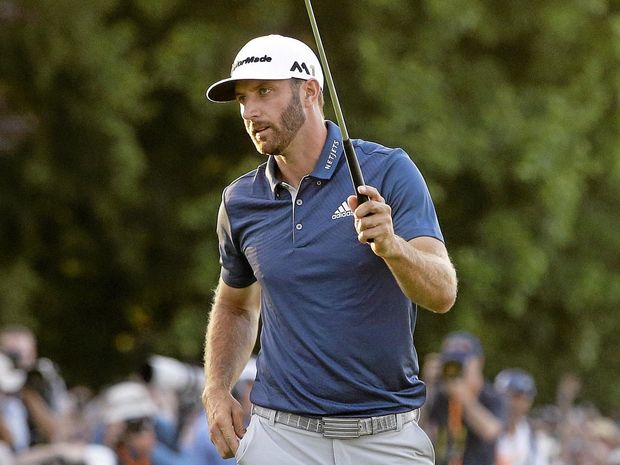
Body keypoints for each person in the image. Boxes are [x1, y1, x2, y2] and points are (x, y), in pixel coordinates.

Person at [201, 34, 458, 465]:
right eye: (243, 99)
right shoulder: (240, 201)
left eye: (265, 91)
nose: (251, 111)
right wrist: (215, 387)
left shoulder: (387, 169)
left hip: (384, 437)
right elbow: (236, 307)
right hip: (279, 438)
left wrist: (393, 248)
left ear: (311, 91)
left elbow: (443, 292)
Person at [425, 331, 505, 465]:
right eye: (451, 363)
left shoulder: (492, 396)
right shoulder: (439, 394)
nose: (456, 370)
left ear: (479, 363)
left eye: (462, 364)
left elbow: (491, 431)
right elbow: (417, 425)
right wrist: (427, 385)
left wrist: (464, 398)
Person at [0, 325, 67, 446]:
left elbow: (56, 433)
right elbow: (11, 442)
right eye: (13, 355)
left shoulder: (43, 381)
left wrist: (29, 395)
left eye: (26, 355)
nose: (20, 362)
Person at [494, 368, 549, 465]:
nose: (520, 404)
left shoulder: (531, 435)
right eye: (515, 397)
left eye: (526, 399)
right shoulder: (486, 428)